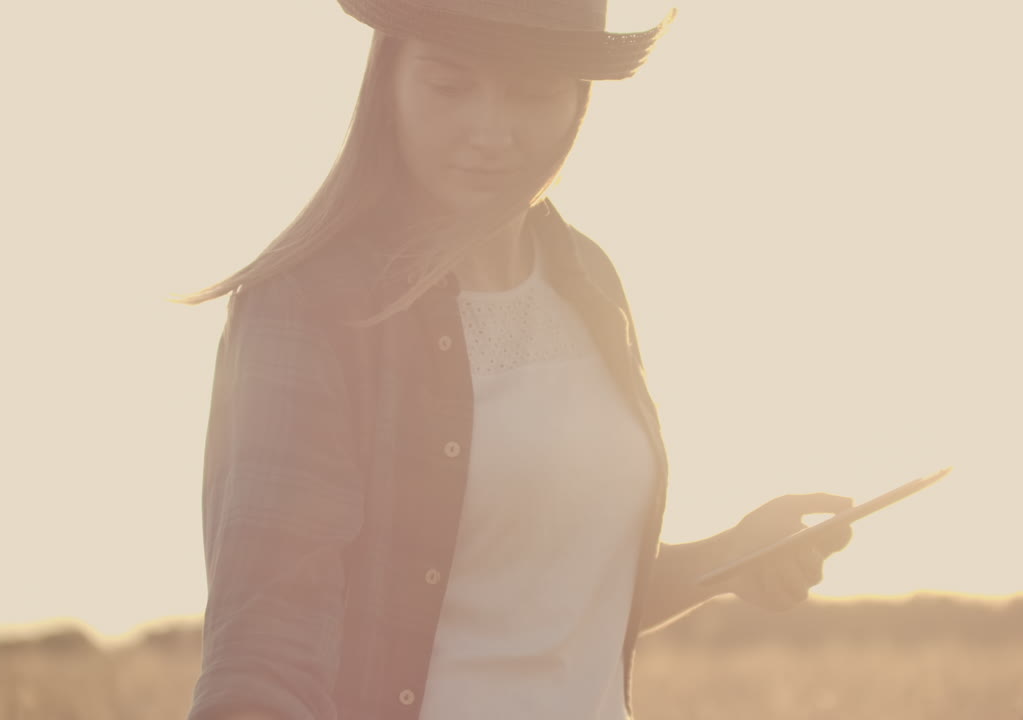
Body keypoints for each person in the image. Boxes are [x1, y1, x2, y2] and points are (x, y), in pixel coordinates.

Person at [179, 1, 854, 719]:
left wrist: (728, 557)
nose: (490, 131)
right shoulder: (311, 307)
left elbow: (551, 599)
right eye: (449, 86)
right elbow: (264, 647)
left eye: (532, 93)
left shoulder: (589, 280)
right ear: (389, 80)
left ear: (578, 99)